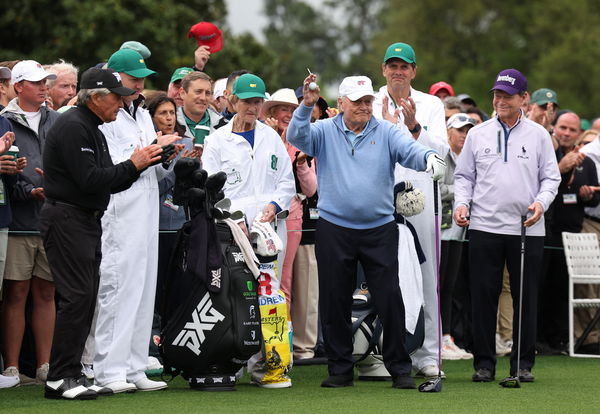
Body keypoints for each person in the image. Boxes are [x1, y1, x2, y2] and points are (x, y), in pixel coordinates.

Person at [288, 74, 446, 389]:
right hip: (335, 227)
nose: (364, 106)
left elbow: (408, 150)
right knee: (334, 299)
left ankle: (399, 368)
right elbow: (298, 137)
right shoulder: (323, 131)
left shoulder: (385, 130)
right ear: (342, 103)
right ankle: (340, 368)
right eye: (357, 101)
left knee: (390, 298)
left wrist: (428, 157)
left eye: (368, 101)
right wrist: (306, 106)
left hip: (379, 228)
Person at [40, 67, 164, 400]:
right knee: (76, 297)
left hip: (83, 218)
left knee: (85, 297)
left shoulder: (92, 126)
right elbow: (91, 179)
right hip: (68, 217)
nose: (121, 105)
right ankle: (59, 376)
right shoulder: (74, 127)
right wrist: (134, 164)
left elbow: (110, 179)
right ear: (95, 97)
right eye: (116, 98)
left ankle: (74, 372)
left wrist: (142, 164)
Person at [453, 68, 560, 383]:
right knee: (483, 295)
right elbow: (464, 178)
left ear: (524, 98)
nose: (499, 100)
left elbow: (551, 178)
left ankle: (522, 364)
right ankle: (484, 364)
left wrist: (541, 203)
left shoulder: (539, 135)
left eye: (507, 95)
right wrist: (462, 204)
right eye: (496, 94)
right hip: (484, 225)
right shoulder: (478, 132)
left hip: (527, 227)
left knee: (525, 298)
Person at [92, 49, 179, 394]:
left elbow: (150, 168)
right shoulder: (108, 116)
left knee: (143, 287)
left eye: (141, 77)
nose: (139, 83)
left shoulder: (142, 113)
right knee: (118, 288)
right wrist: (145, 157)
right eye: (132, 77)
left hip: (146, 207)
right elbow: (114, 165)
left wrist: (165, 155)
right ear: (115, 77)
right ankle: (108, 370)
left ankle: (135, 365)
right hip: (119, 209)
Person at [202, 73, 296, 388]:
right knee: (235, 295)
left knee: (269, 295)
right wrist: (233, 215)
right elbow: (210, 185)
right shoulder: (217, 140)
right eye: (246, 101)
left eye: (257, 102)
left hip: (270, 229)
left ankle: (267, 367)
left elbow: (286, 181)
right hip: (232, 231)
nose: (252, 108)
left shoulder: (271, 137)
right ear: (233, 102)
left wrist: (273, 206)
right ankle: (232, 361)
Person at [373, 42, 450, 380]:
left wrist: (415, 126)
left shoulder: (432, 104)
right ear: (384, 70)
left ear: (414, 71)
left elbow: (443, 154)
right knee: (380, 278)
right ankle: (378, 353)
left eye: (404, 66)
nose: (398, 72)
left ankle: (428, 354)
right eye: (393, 66)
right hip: (377, 198)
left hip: (421, 199)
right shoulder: (370, 102)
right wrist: (389, 126)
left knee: (427, 277)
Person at [0, 60, 59, 385]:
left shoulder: (58, 121)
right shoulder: (4, 120)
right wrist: (28, 190)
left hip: (51, 220)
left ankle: (44, 365)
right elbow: (6, 174)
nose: (43, 87)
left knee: (47, 292)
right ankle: (11, 367)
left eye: (44, 82)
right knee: (17, 293)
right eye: (35, 82)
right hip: (20, 220)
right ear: (18, 86)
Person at [539, 111, 599, 352]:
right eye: (562, 127)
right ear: (554, 128)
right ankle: (537, 339)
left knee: (563, 289)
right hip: (545, 231)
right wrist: (560, 168)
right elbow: (537, 183)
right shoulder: (546, 153)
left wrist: (588, 196)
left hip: (572, 233)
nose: (566, 133)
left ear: (578, 135)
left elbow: (594, 202)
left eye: (572, 130)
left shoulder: (587, 161)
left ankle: (561, 339)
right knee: (541, 286)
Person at [262, 88, 317, 306]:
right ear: (272, 112)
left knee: (284, 280)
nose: (288, 115)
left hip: (292, 215)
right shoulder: (261, 138)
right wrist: (277, 141)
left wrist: (302, 164)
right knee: (262, 277)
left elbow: (311, 189)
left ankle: (283, 336)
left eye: (293, 111)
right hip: (262, 214)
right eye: (284, 109)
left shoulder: (302, 142)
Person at [439, 113, 475, 360]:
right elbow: (437, 188)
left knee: (449, 286)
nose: (464, 135)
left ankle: (447, 337)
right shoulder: (442, 153)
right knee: (439, 286)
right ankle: (438, 337)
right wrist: (463, 190)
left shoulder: (468, 158)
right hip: (440, 228)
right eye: (460, 130)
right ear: (448, 131)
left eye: (467, 131)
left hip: (457, 231)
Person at [177, 71, 225, 148]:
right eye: (198, 92)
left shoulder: (223, 126)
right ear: (182, 93)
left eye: (207, 93)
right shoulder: (169, 123)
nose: (203, 98)